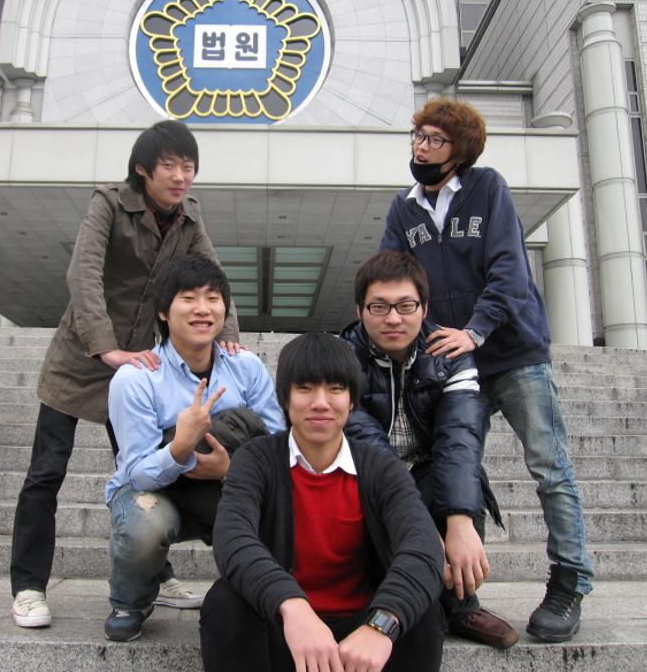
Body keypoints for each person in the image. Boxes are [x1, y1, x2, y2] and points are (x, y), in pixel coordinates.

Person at [9, 120, 241, 628]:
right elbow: (83, 274)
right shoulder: (109, 203)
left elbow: (212, 275)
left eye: (188, 167)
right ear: (142, 169)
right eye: (169, 166)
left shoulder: (189, 216)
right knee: (46, 473)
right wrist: (105, 347)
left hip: (139, 367)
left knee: (146, 469)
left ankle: (156, 576)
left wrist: (227, 335)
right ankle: (28, 587)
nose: (180, 176)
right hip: (80, 358)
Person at [379, 97, 594, 643]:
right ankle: (460, 595)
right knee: (455, 465)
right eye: (418, 136)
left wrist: (475, 330)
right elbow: (392, 277)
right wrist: (421, 333)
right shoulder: (403, 209)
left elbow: (509, 269)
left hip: (513, 351)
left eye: (434, 139)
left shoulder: (488, 188)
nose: (421, 147)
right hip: (454, 362)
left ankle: (570, 580)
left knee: (549, 466)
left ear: (460, 150)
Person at [200, 332, 445, 672]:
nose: (320, 402)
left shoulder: (379, 466)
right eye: (305, 388)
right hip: (284, 626)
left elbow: (422, 545)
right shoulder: (255, 459)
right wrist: (292, 604)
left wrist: (381, 625)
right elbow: (233, 540)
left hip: (361, 637)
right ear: (285, 398)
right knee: (225, 604)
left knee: (422, 613)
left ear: (352, 400)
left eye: (335, 389)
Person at [340, 250, 517, 649]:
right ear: (359, 310)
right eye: (379, 307)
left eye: (406, 306)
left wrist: (459, 522)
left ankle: (460, 605)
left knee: (460, 480)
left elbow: (459, 438)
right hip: (365, 477)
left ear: (423, 308)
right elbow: (364, 443)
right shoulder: (342, 358)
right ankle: (385, 595)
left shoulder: (450, 355)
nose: (393, 318)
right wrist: (420, 527)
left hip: (426, 472)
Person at [104, 254, 284, 642]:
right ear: (163, 311)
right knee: (145, 522)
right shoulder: (135, 378)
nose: (203, 309)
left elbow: (277, 440)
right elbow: (137, 473)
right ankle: (130, 601)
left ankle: (263, 592)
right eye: (188, 298)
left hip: (225, 486)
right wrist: (180, 448)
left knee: (283, 503)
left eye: (213, 298)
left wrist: (229, 469)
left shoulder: (246, 366)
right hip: (157, 490)